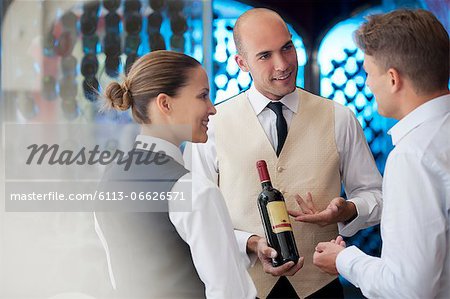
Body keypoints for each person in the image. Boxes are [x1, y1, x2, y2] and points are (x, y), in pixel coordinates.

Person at [191, 7, 382, 299]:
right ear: (242, 63)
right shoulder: (212, 126)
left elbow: (376, 196)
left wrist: (348, 210)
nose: (282, 64)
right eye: (265, 56)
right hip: (243, 288)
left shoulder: (339, 117)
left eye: (287, 48)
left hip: (321, 288)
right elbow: (198, 217)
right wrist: (250, 242)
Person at [95, 50, 256, 299]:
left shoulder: (109, 180)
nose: (212, 109)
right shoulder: (192, 189)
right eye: (203, 96)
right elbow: (229, 293)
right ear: (165, 104)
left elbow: (118, 276)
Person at [312, 9, 450, 298]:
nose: (367, 84)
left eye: (367, 73)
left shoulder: (413, 156)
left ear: (392, 78)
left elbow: (411, 287)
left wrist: (344, 260)